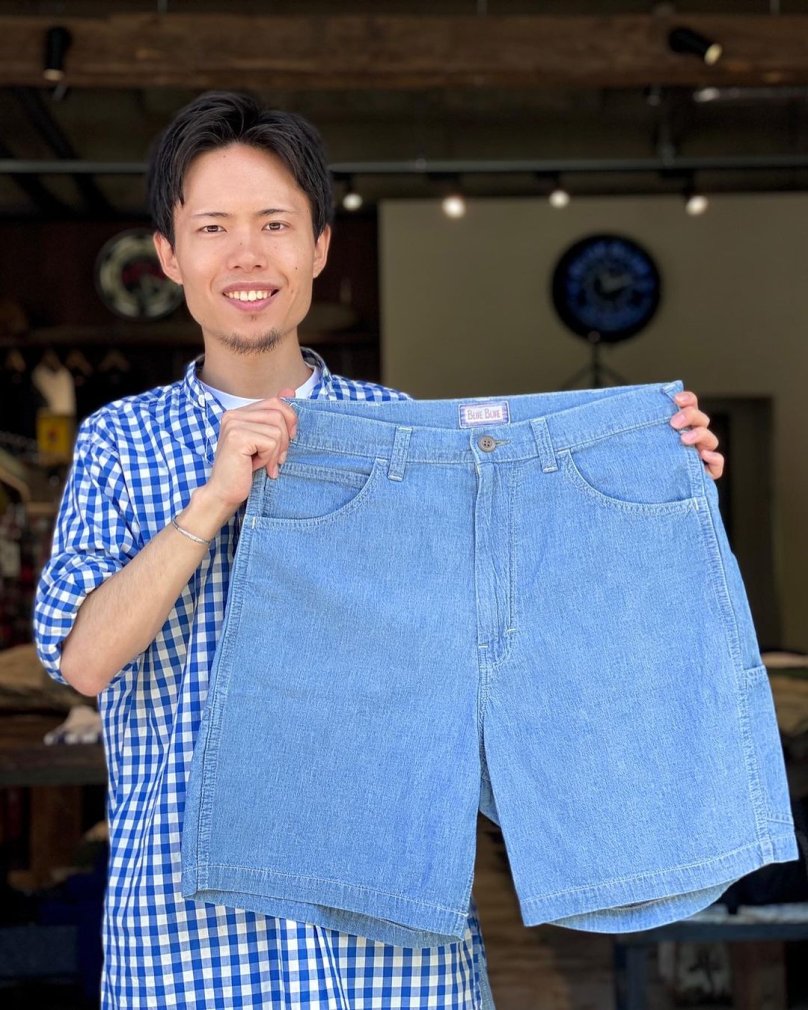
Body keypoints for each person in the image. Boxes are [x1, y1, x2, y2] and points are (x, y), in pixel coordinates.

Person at [33, 91, 724, 1009]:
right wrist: (213, 501)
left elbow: (515, 636)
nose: (247, 255)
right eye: (213, 228)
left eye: (276, 224)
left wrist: (651, 485)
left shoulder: (403, 434)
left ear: (319, 246)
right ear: (169, 254)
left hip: (393, 953)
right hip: (190, 948)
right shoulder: (121, 442)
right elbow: (84, 660)